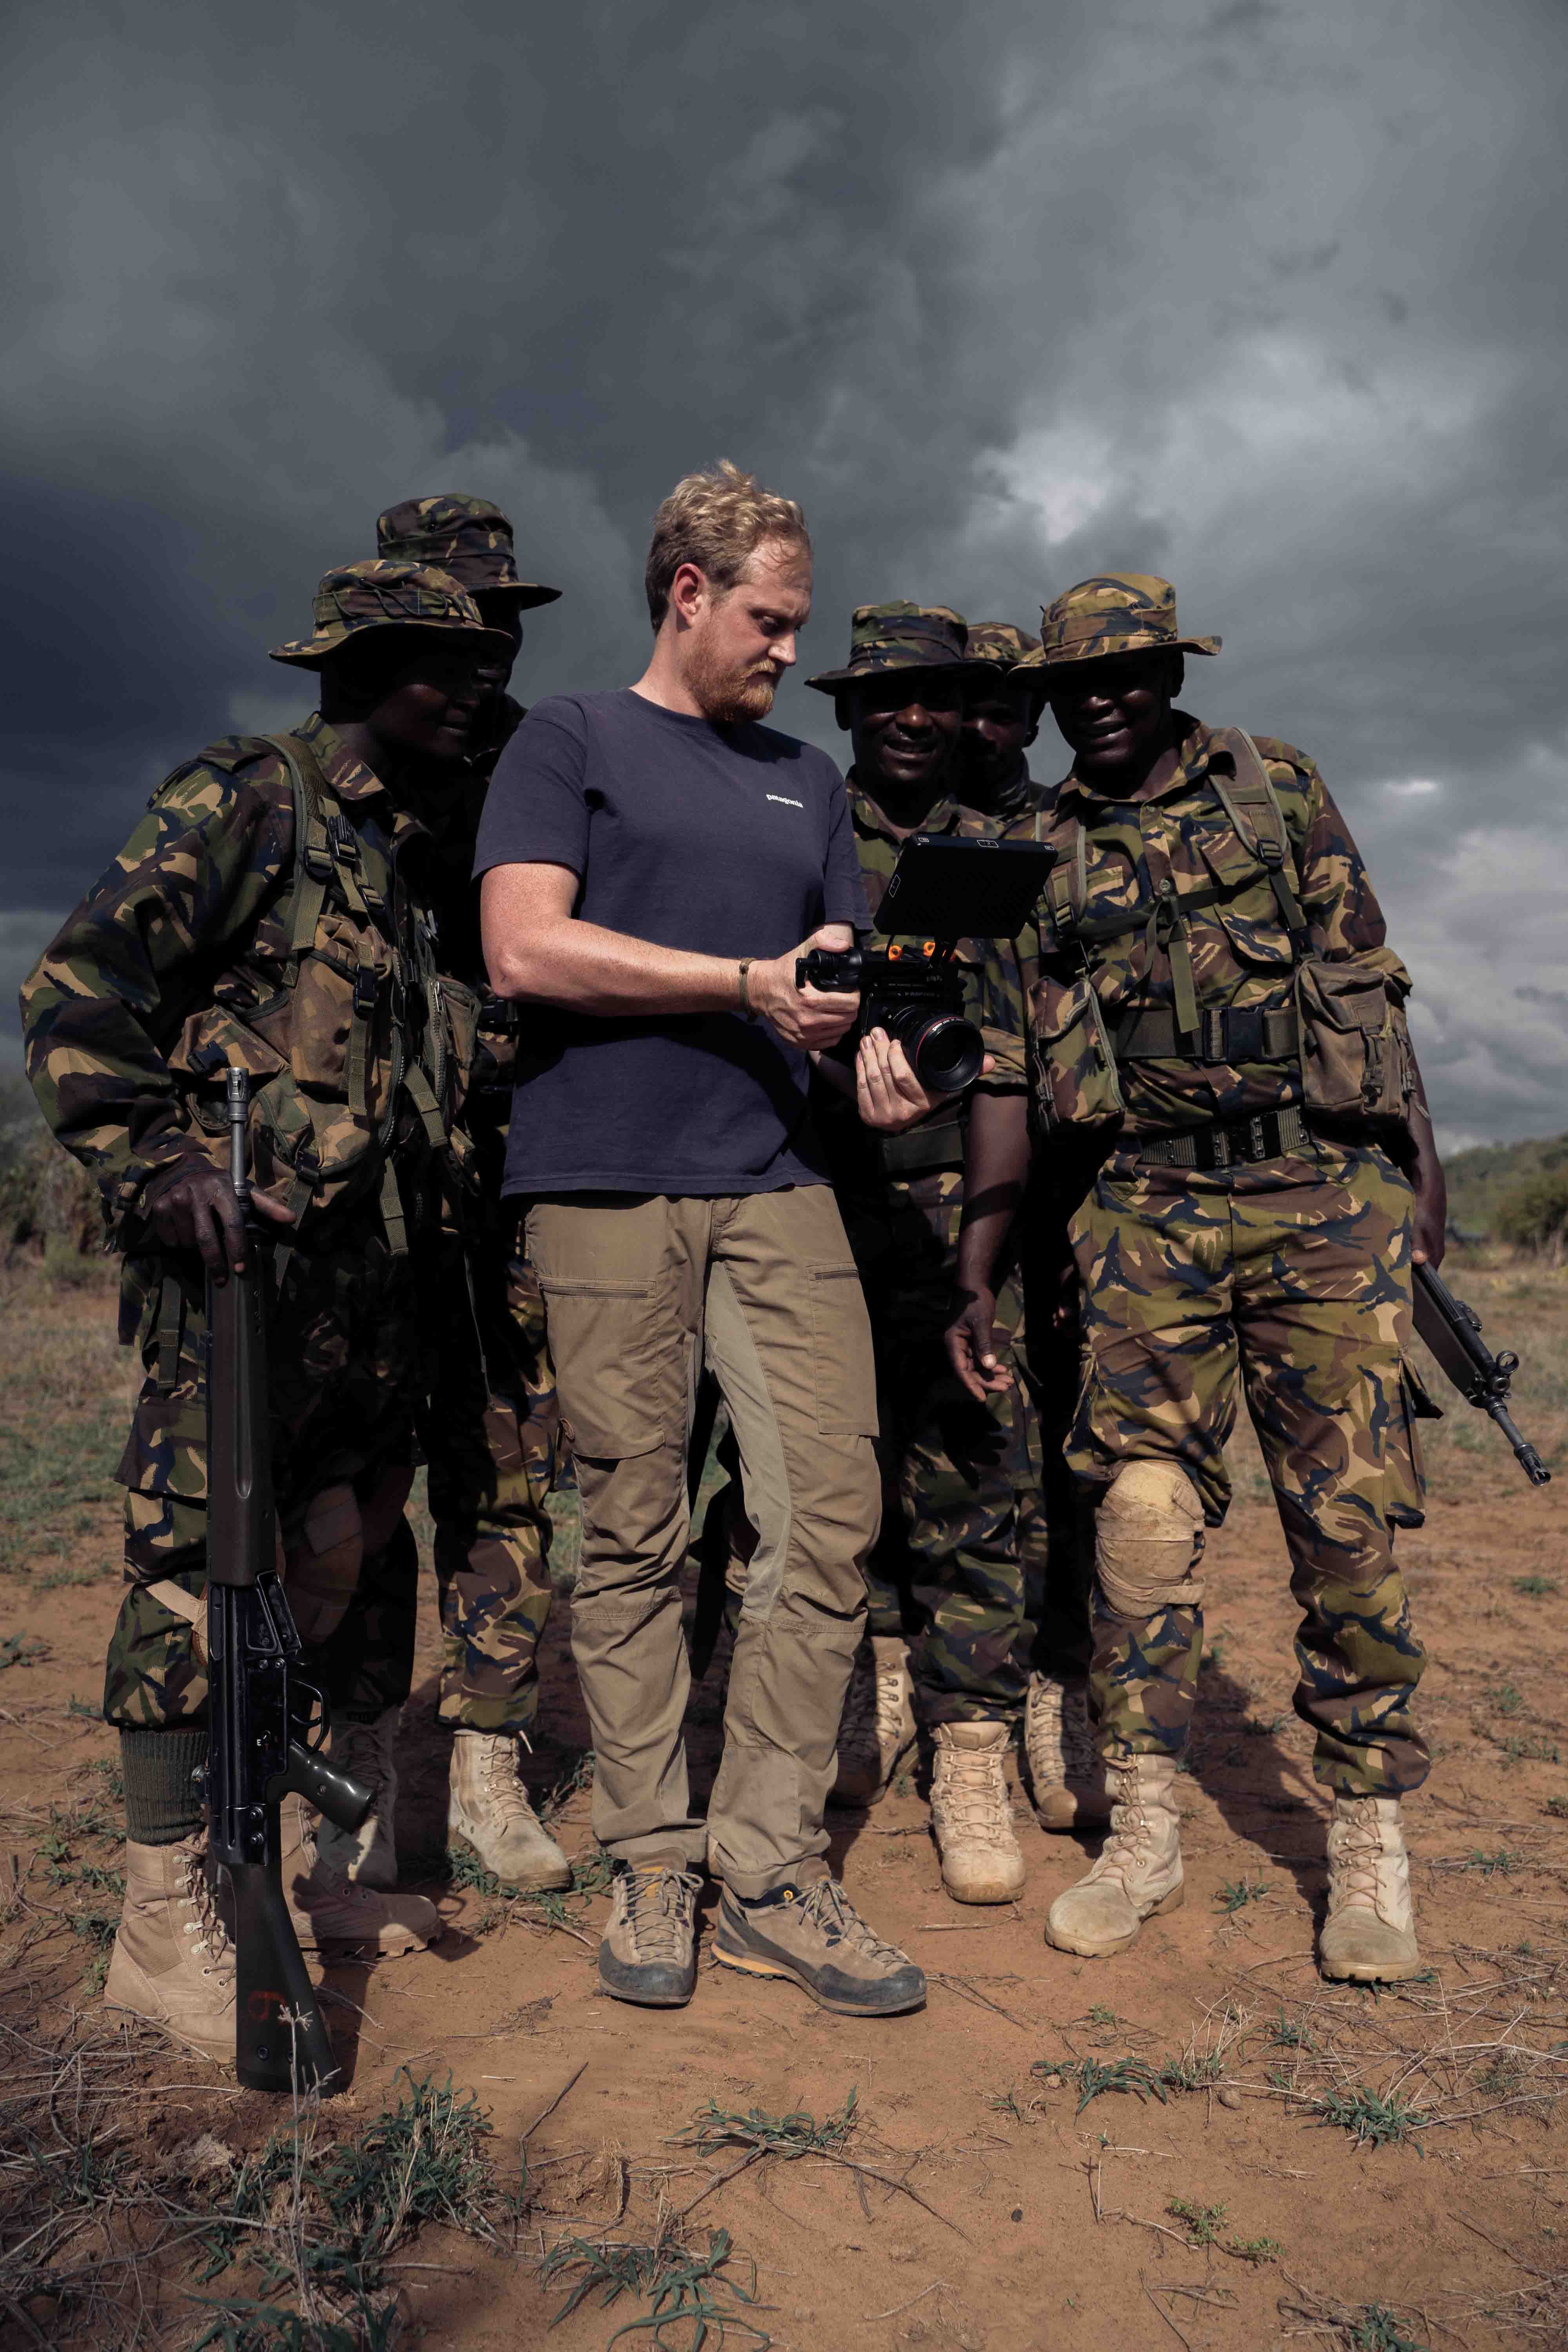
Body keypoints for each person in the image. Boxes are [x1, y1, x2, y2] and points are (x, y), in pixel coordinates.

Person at [18, 559, 512, 2059]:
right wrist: (158, 1160)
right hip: (244, 1292)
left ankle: (313, 1864)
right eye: (441, 668)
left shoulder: (401, 860)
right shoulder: (253, 799)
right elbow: (77, 990)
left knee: (345, 1553)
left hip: (371, 1299)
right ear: (356, 672)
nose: (474, 690)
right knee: (196, 1574)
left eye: (482, 666)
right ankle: (164, 1910)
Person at [475, 460, 926, 2016]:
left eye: (796, 624)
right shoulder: (569, 739)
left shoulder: (811, 779)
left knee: (829, 1515)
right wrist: (742, 981)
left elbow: (832, 981)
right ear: (688, 592)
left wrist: (872, 1052)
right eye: (770, 621)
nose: (790, 651)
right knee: (634, 1526)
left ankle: (771, 1864)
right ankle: (652, 1856)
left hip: (777, 1177)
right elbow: (523, 947)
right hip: (604, 1180)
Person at [947, 572, 1445, 1982]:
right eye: (1075, 686)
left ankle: (1368, 1843)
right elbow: (1004, 1068)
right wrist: (981, 1263)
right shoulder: (1037, 848)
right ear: (1049, 703)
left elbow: (1370, 985)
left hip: (1317, 1193)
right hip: (1144, 1206)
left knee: (1346, 1524)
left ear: (1172, 677)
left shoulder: (1275, 788)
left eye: (1129, 674)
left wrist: (1422, 1178)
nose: (1103, 700)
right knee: (1142, 1517)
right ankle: (1145, 1831)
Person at [797, 604, 1100, 1911]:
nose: (915, 717)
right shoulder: (798, 828)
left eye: (937, 695)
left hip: (959, 1211)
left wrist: (978, 1270)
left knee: (977, 1469)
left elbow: (1011, 1072)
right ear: (849, 711)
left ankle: (970, 1751)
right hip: (805, 1205)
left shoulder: (996, 860)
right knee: (820, 1480)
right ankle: (858, 1695)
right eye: (889, 696)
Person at [365, 494, 570, 1891]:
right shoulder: (325, 785)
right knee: (359, 1484)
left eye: (501, 620)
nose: (485, 645)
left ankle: (490, 1770)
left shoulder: (545, 765)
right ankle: (369, 1773)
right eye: (458, 618)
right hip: (365, 1197)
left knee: (504, 1472)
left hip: (503, 1179)